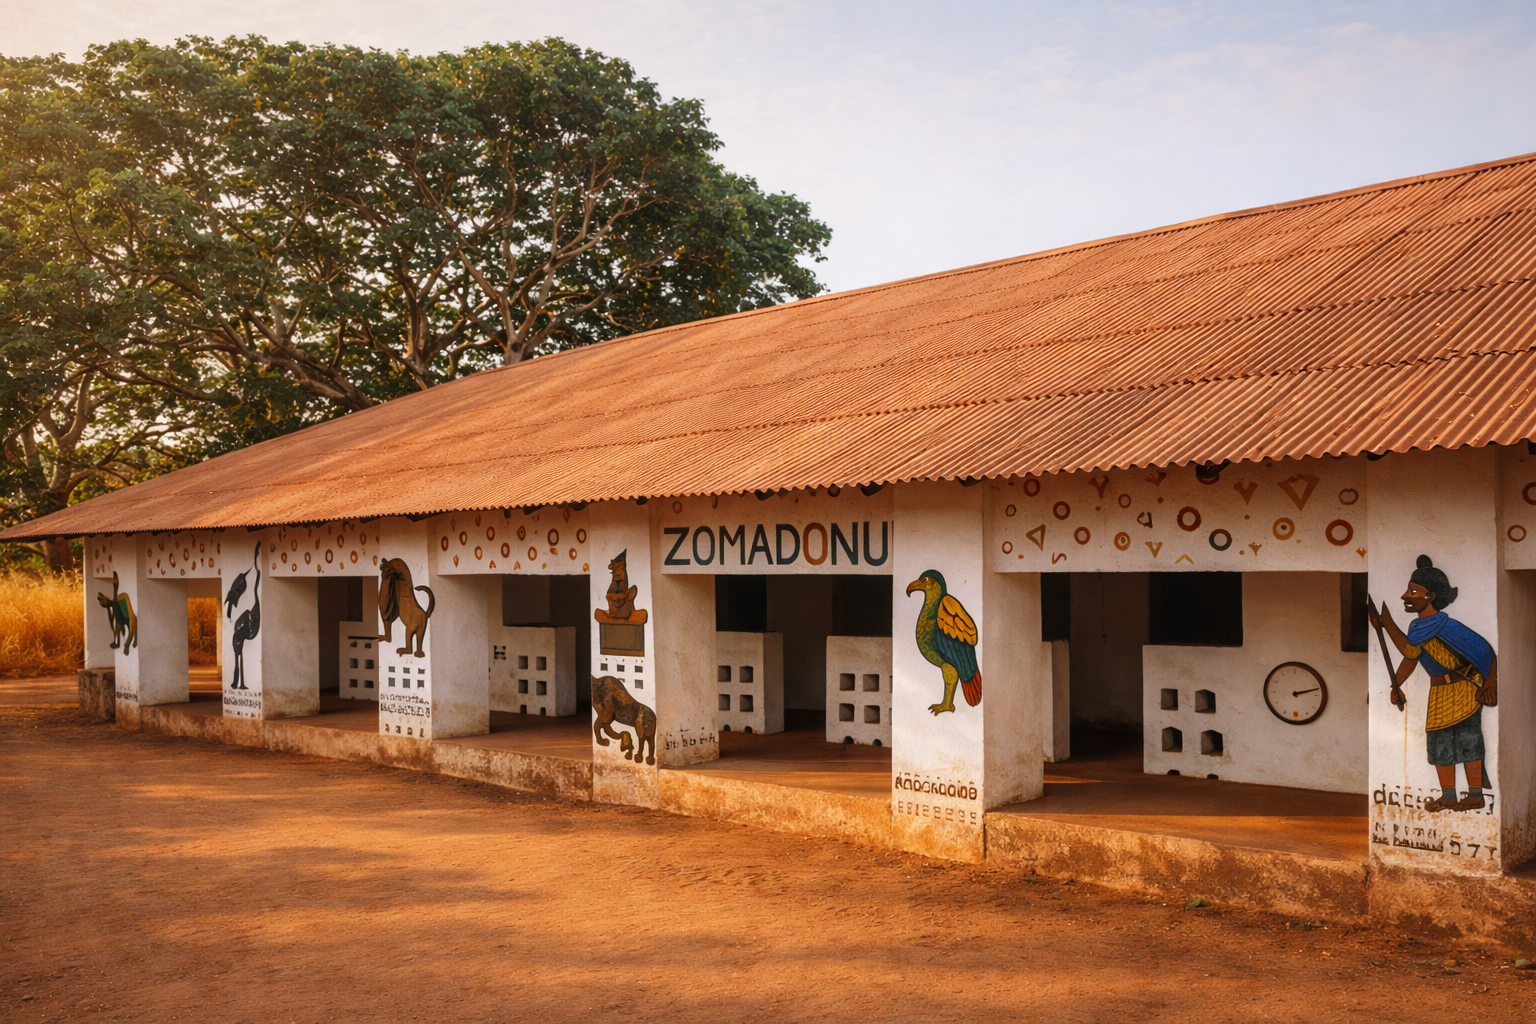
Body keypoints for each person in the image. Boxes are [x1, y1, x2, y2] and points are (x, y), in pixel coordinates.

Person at [1369, 555, 1497, 812]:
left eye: (1413, 591)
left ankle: (1475, 795)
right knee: (1439, 743)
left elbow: (1486, 652)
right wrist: (1397, 684)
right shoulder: (1419, 627)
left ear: (1431, 597)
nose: (1407, 596)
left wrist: (1490, 681)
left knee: (1467, 740)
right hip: (1439, 692)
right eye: (1408, 590)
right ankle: (1448, 796)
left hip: (1464, 689)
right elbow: (1411, 656)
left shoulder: (1448, 627)